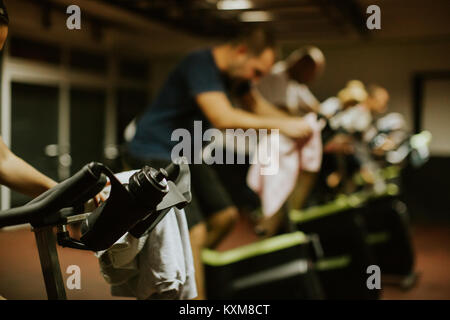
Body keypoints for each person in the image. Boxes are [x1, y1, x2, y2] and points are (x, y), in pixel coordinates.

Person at [124, 28, 313, 299]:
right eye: (257, 72)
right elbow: (223, 117)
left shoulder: (235, 75)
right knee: (196, 232)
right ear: (240, 52)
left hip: (185, 154)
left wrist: (298, 124)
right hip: (155, 151)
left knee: (226, 217)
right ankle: (190, 295)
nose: (255, 79)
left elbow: (257, 106)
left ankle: (183, 272)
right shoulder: (200, 64)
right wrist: (284, 125)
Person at [256, 45, 325, 115]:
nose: (311, 78)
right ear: (301, 65)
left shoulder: (295, 80)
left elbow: (312, 105)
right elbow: (283, 113)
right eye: (310, 73)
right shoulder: (277, 77)